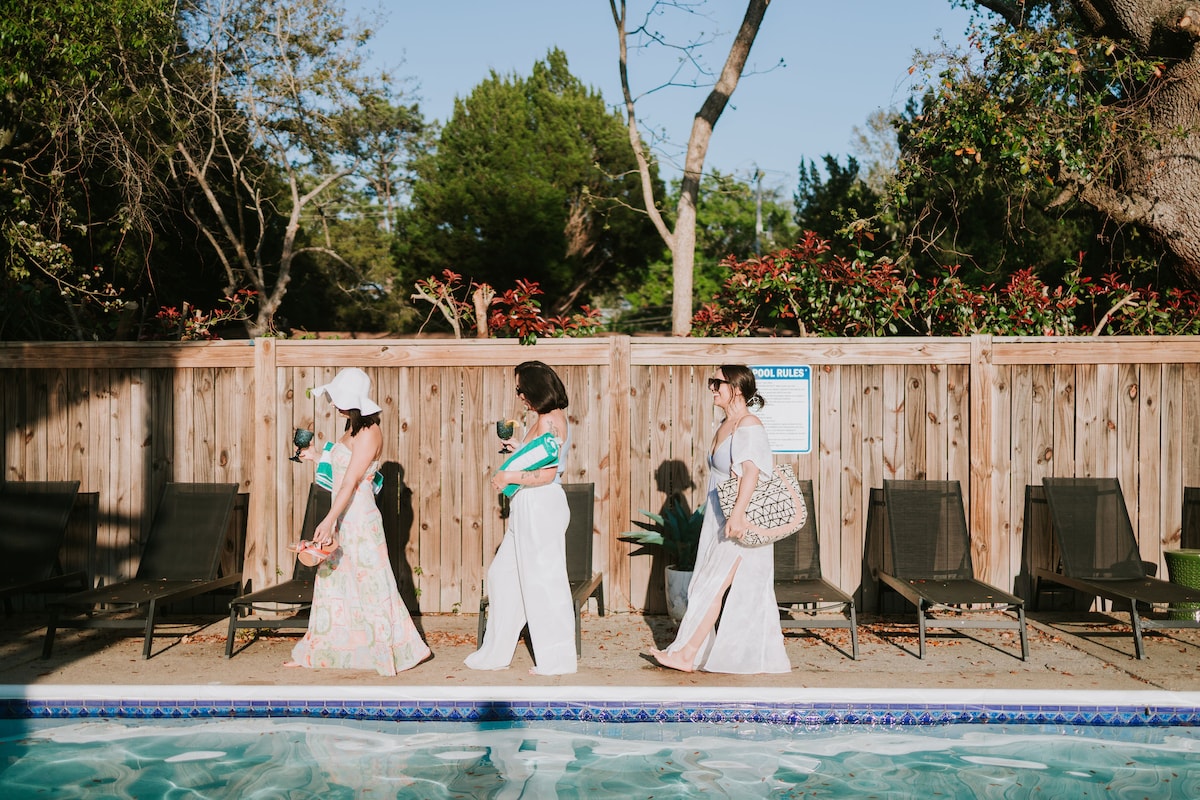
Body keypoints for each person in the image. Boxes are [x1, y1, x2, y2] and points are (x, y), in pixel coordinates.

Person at [288, 367, 431, 675]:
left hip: (360, 518)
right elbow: (343, 465)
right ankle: (320, 651)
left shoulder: (370, 432)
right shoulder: (352, 428)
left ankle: (396, 651)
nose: (334, 404)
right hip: (344, 513)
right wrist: (315, 456)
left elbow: (352, 481)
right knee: (334, 582)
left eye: (339, 398)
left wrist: (328, 520)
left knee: (372, 583)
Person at [649, 364, 791, 674]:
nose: (712, 388)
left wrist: (737, 516)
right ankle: (693, 652)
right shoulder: (727, 424)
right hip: (718, 518)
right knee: (706, 584)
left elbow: (751, 473)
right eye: (712, 383)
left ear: (737, 389)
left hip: (738, 519)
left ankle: (687, 655)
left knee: (712, 585)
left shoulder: (749, 425)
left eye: (717, 383)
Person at [466, 360, 577, 675]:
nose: (519, 396)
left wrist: (508, 476)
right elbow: (541, 458)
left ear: (535, 389)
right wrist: (519, 449)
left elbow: (548, 474)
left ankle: (557, 660)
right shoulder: (546, 419)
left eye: (521, 389)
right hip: (528, 506)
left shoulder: (550, 422)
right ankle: (496, 652)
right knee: (502, 576)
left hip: (540, 506)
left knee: (544, 581)